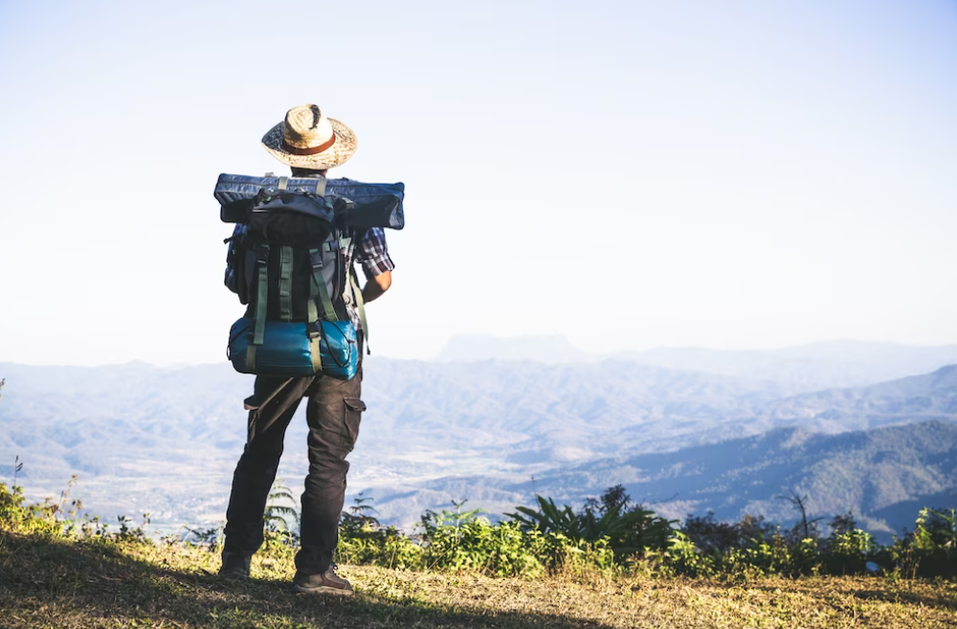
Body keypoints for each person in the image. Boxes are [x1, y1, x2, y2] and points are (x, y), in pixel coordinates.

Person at [219, 104, 394, 595]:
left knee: (260, 451)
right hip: (338, 348)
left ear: (287, 155)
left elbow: (235, 281)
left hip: (273, 344)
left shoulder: (256, 207)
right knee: (328, 459)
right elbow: (382, 278)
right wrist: (347, 304)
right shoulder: (352, 207)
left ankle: (236, 561)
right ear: (331, 157)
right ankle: (315, 571)